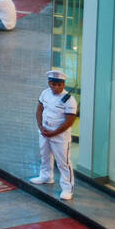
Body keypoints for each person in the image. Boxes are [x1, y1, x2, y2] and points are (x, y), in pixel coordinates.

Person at [30, 69, 77, 200]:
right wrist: (40, 126)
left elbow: (69, 121)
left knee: (63, 162)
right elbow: (39, 110)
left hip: (60, 136)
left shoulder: (69, 100)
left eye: (58, 85)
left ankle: (68, 188)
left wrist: (54, 132)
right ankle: (46, 176)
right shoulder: (45, 93)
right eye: (52, 84)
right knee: (44, 155)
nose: (55, 87)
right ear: (49, 83)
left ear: (63, 85)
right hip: (45, 132)